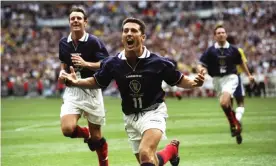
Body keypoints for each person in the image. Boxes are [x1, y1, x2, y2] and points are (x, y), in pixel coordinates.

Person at [60, 17, 205, 166]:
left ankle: (168, 150)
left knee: (145, 154)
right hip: (130, 117)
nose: (129, 33)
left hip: (153, 112)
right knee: (150, 161)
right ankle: (171, 150)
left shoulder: (158, 62)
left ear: (142, 37)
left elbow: (179, 79)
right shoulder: (113, 63)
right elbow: (96, 81)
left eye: (134, 31)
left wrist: (194, 82)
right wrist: (77, 82)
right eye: (125, 31)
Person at [58, 7, 109, 166]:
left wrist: (86, 64)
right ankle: (85, 133)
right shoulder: (63, 43)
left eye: (79, 18)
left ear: (85, 22)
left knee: (97, 139)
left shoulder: (93, 41)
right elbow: (63, 65)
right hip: (73, 89)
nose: (75, 21)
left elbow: (106, 64)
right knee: (67, 129)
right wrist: (62, 74)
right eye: (72, 18)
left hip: (91, 88)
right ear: (69, 22)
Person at [198, 25, 254, 144]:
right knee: (225, 105)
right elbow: (201, 64)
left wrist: (249, 75)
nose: (221, 34)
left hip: (231, 77)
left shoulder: (234, 49)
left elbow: (241, 63)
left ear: (226, 35)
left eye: (223, 32)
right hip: (217, 79)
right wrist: (201, 70)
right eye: (218, 33)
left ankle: (234, 123)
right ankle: (235, 123)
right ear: (215, 36)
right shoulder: (210, 50)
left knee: (224, 102)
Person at [227, 35, 251, 128]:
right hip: (236, 77)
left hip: (225, 79)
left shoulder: (221, 51)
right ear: (234, 41)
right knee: (240, 102)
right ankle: (238, 118)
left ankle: (232, 123)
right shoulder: (238, 50)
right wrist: (249, 75)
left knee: (229, 104)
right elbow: (243, 64)